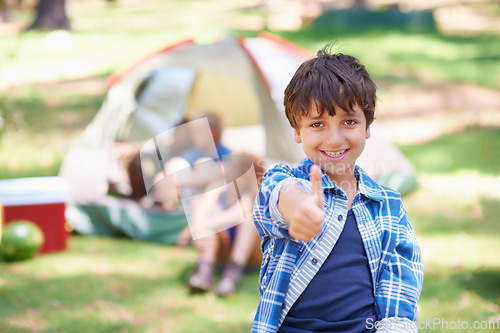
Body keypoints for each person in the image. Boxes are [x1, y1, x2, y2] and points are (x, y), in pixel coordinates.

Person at [252, 46, 424, 332]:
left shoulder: (389, 208)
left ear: (367, 125)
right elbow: (277, 195)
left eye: (349, 121)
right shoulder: (284, 180)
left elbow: (399, 296)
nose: (334, 139)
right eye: (317, 124)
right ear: (297, 131)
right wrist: (299, 209)